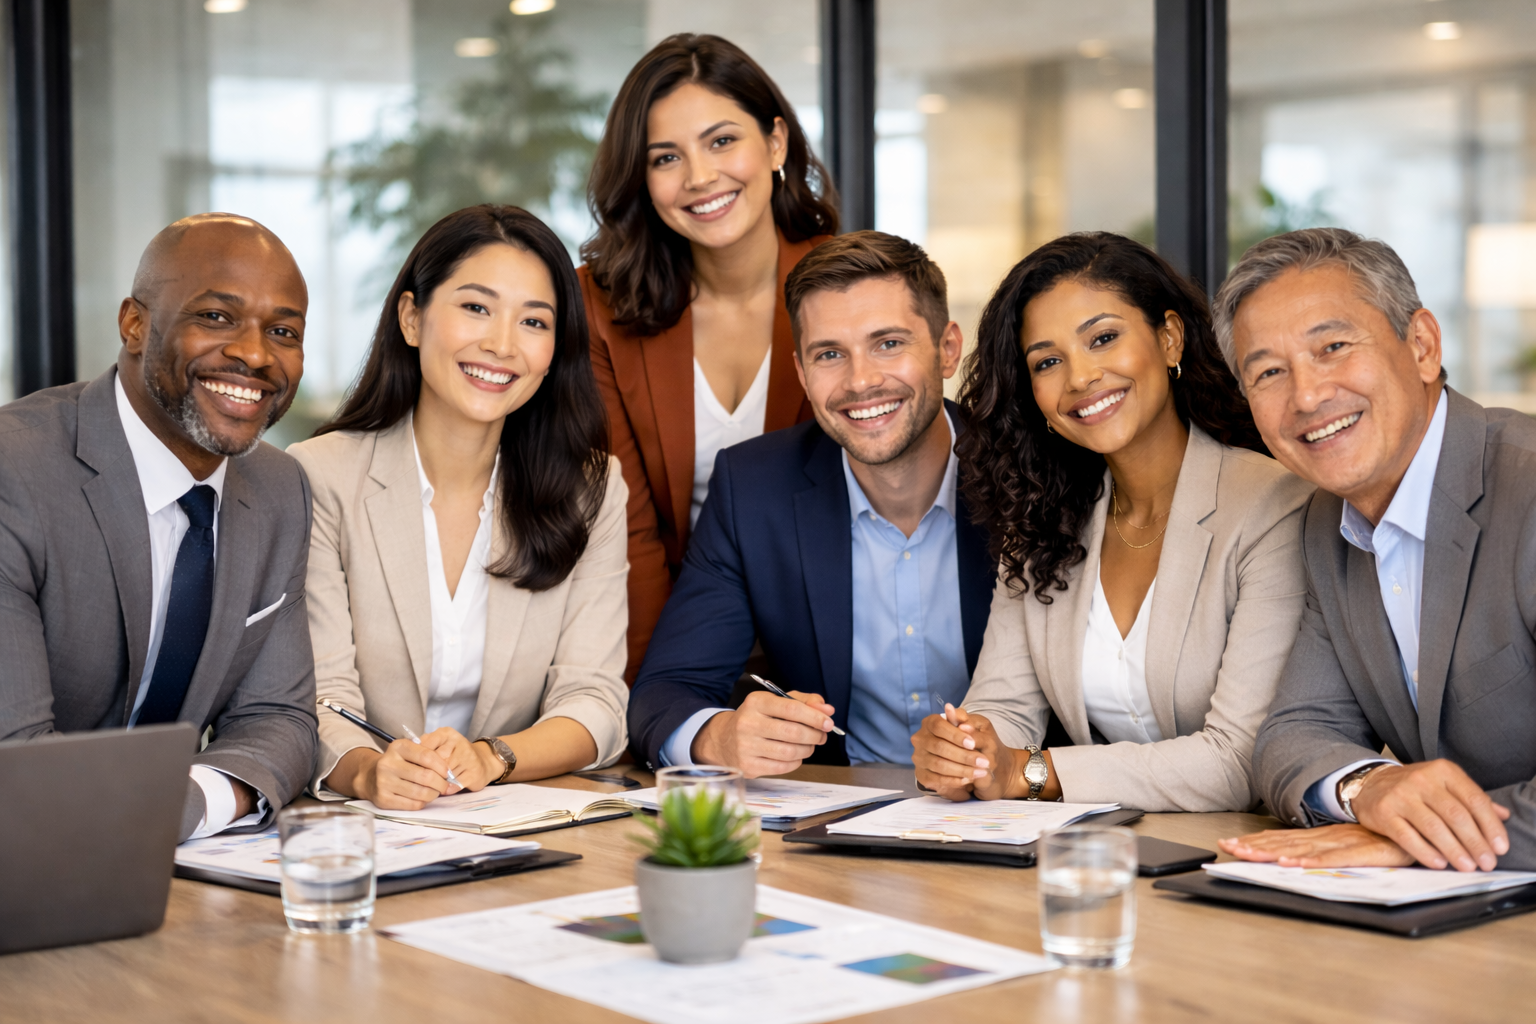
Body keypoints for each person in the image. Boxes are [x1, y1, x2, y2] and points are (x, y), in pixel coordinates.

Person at [910, 233, 1315, 812]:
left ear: (1169, 338)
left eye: (1103, 338)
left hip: (1248, 857)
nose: (1079, 378)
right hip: (1110, 853)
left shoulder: (1274, 505)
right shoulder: (1040, 521)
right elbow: (1005, 713)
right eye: (1047, 361)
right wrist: (963, 749)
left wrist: (1028, 771)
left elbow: (1240, 761)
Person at [1213, 228, 1536, 871]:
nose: (1306, 396)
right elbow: (1293, 735)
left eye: (1333, 347)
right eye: (1270, 372)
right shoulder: (1326, 524)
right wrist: (1370, 789)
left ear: (1421, 345)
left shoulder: (1526, 487)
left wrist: (1408, 841)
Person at [289, 205, 628, 811]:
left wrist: (494, 757)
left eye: (534, 321)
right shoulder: (321, 476)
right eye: (476, 308)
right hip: (363, 826)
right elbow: (314, 696)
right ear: (412, 318)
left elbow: (595, 700)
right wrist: (369, 772)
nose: (501, 344)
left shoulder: (590, 490)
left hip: (515, 825)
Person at [626, 231, 995, 775]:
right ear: (801, 372)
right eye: (829, 354)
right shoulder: (754, 490)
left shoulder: (1030, 473)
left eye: (888, 343)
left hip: (1021, 813)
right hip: (838, 822)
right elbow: (665, 691)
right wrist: (720, 735)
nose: (861, 381)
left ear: (946, 349)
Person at [0, 213, 317, 841]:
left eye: (281, 330)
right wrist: (165, 810)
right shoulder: (17, 472)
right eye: (216, 318)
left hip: (163, 868)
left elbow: (278, 719)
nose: (254, 354)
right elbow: (18, 758)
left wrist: (190, 804)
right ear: (135, 324)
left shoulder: (280, 489)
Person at [579, 33, 839, 680]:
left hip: (833, 644)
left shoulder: (851, 290)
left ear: (775, 143)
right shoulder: (601, 308)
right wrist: (667, 703)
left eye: (722, 141)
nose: (699, 177)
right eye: (666, 157)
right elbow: (628, 529)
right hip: (669, 640)